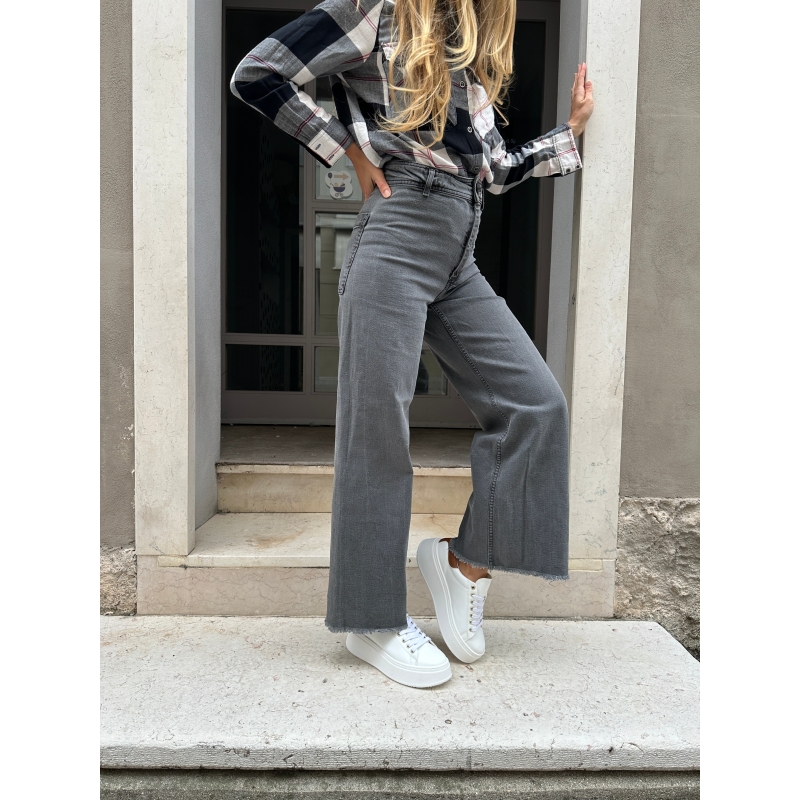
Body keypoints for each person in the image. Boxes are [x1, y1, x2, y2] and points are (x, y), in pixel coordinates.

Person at [231, 0, 594, 688]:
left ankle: (463, 564)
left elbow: (494, 170)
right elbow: (260, 73)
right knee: (377, 431)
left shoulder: (467, 55)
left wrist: (567, 135)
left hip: (458, 251)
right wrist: (346, 151)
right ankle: (370, 620)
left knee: (536, 405)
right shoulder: (377, 9)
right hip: (396, 239)